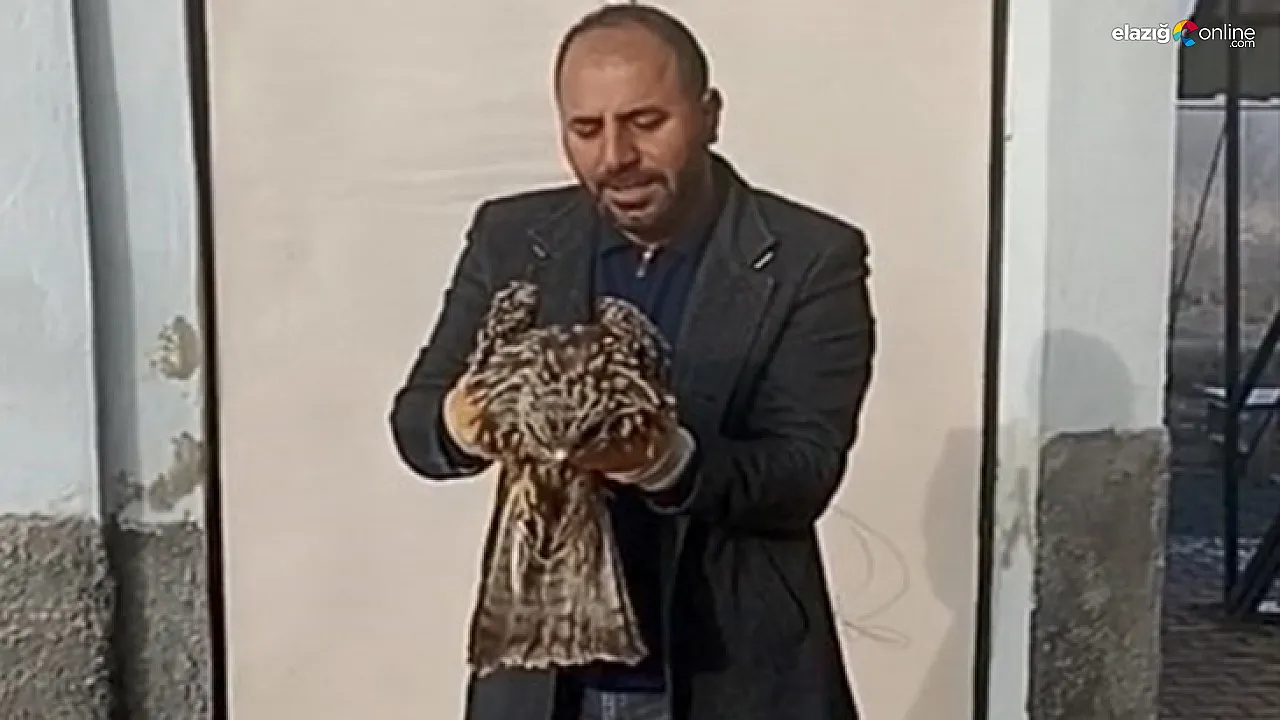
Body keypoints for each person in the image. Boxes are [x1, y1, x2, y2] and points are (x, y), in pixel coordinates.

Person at [389, 4, 876, 719]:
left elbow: (801, 474)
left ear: (709, 115)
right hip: (542, 682)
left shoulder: (810, 258)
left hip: (731, 677)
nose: (615, 155)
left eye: (646, 122)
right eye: (586, 129)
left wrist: (663, 460)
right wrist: (463, 421)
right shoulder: (512, 236)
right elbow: (415, 426)